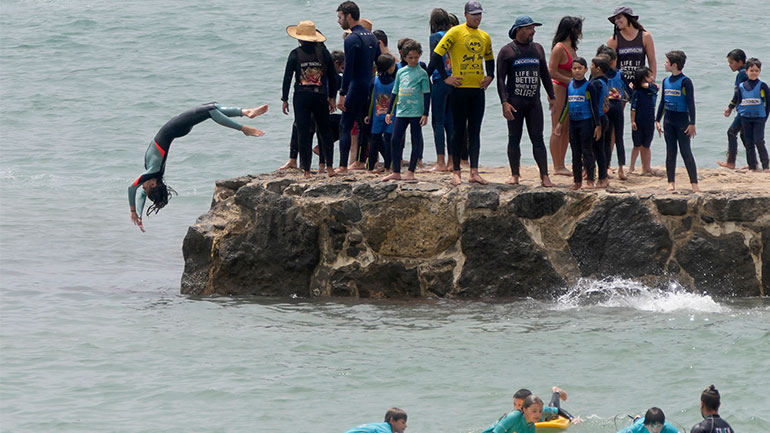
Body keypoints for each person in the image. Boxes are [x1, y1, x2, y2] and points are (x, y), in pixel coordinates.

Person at [128, 102, 267, 232]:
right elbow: (132, 189)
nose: (142, 187)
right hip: (175, 128)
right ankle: (244, 128)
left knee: (212, 107)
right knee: (210, 110)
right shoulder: (153, 171)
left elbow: (140, 193)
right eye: (146, 188)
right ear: (153, 184)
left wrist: (138, 214)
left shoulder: (152, 175)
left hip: (176, 130)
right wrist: (134, 211)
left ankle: (247, 112)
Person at [430, 0, 494, 186]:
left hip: (478, 90)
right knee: (458, 130)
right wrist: (446, 78)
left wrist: (490, 76)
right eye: (473, 14)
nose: (477, 17)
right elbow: (436, 56)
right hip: (459, 89)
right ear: (465, 15)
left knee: (474, 131)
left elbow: (490, 59)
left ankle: (474, 172)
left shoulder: (484, 36)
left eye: (479, 14)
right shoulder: (455, 32)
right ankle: (456, 172)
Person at [496, 15, 556, 186]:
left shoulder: (538, 49)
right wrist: (504, 102)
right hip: (515, 103)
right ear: (518, 30)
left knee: (538, 139)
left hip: (534, 103)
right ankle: (515, 175)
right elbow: (500, 79)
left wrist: (552, 96)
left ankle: (545, 176)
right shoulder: (507, 51)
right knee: (514, 138)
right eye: (530, 28)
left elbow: (544, 74)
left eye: (533, 28)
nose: (533, 31)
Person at [281, 20, 338, 178]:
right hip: (320, 95)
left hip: (302, 96)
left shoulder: (295, 54)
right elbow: (333, 77)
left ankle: (306, 171)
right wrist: (332, 97)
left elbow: (287, 77)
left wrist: (284, 98)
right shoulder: (324, 53)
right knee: (325, 131)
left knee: (303, 132)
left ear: (299, 38)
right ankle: (330, 168)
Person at [336, 1, 381, 173]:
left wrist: (342, 93)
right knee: (366, 127)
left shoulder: (352, 39)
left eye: (340, 17)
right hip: (369, 85)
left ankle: (342, 166)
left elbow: (348, 69)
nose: (339, 21)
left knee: (345, 125)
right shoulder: (371, 36)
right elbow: (379, 63)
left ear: (349, 16)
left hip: (356, 87)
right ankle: (389, 162)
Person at [382, 40, 430, 182]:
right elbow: (395, 92)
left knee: (416, 141)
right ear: (404, 57)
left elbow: (427, 94)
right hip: (401, 112)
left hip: (416, 112)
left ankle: (411, 171)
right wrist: (389, 112)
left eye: (416, 57)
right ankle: (396, 171)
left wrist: (426, 113)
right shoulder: (401, 72)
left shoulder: (422, 73)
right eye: (410, 57)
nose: (414, 60)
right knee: (395, 140)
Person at [555, 57, 603, 190]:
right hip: (573, 123)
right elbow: (566, 106)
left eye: (580, 68)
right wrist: (560, 123)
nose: (577, 71)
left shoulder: (589, 86)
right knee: (575, 153)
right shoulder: (570, 85)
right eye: (574, 68)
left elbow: (594, 106)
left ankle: (590, 180)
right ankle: (577, 181)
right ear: (571, 70)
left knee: (587, 151)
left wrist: (597, 125)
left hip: (586, 123)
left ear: (585, 70)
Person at [656, 50, 699, 192]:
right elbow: (663, 102)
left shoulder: (686, 82)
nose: (664, 64)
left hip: (682, 121)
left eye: (667, 62)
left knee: (685, 151)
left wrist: (692, 123)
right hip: (668, 121)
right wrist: (657, 120)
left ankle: (694, 184)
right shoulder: (665, 81)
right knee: (670, 151)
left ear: (674, 65)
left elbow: (690, 103)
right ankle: (671, 183)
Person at [548, 16, 583, 177]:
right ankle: (557, 165)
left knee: (568, 127)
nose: (579, 32)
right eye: (577, 29)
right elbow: (551, 71)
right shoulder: (559, 48)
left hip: (571, 89)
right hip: (559, 88)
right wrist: (569, 80)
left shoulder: (572, 47)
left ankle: (562, 163)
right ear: (570, 30)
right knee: (557, 126)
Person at [725, 57, 769, 171]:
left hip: (759, 118)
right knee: (748, 142)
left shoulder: (763, 86)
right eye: (751, 70)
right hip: (745, 118)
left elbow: (768, 103)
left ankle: (766, 166)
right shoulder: (742, 86)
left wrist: (765, 117)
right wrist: (731, 108)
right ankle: (752, 167)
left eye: (756, 70)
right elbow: (737, 99)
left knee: (759, 140)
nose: (754, 73)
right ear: (746, 71)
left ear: (760, 71)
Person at [597, 45, 630, 179]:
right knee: (619, 137)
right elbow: (628, 90)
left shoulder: (599, 75)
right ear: (613, 61)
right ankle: (621, 169)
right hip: (617, 106)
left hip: (604, 107)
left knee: (606, 138)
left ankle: (605, 168)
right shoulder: (619, 73)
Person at [428, 7, 455, 172]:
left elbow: (435, 59)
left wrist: (425, 75)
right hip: (455, 80)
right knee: (450, 121)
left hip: (441, 80)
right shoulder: (453, 35)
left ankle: (440, 162)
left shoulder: (435, 37)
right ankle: (452, 161)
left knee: (437, 121)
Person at [606, 6, 656, 83]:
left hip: (641, 82)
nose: (616, 21)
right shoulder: (613, 40)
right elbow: (611, 65)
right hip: (621, 82)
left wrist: (652, 79)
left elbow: (652, 61)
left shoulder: (645, 36)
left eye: (619, 18)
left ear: (628, 17)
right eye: (615, 19)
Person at [717, 49, 749, 170]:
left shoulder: (743, 73)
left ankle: (731, 163)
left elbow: (738, 93)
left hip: (744, 109)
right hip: (745, 109)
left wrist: (730, 107)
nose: (730, 65)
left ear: (739, 62)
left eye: (731, 62)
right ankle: (753, 163)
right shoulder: (744, 72)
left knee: (731, 132)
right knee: (744, 135)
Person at [365, 53, 396, 172]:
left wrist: (368, 114)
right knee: (388, 141)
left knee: (374, 141)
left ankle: (370, 167)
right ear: (390, 67)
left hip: (377, 115)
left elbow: (370, 98)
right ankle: (388, 167)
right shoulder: (394, 82)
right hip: (391, 117)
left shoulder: (375, 80)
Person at [630, 67, 658, 175]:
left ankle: (647, 167)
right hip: (638, 120)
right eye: (649, 76)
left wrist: (643, 83)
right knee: (637, 145)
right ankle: (632, 167)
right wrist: (632, 121)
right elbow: (633, 107)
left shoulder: (652, 89)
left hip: (649, 120)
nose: (652, 77)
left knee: (647, 145)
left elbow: (655, 88)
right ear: (644, 77)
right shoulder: (637, 92)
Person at [590, 55, 612, 188]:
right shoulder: (604, 81)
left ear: (598, 69)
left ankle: (601, 178)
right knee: (600, 149)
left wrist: (596, 123)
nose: (590, 67)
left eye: (592, 65)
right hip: (603, 117)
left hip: (597, 119)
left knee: (597, 150)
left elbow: (593, 104)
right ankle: (602, 177)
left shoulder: (596, 83)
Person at [512, 387, 578, 423]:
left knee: (553, 406)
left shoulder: (541, 410)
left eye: (520, 405)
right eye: (515, 404)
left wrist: (572, 419)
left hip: (550, 417)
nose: (516, 408)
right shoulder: (515, 414)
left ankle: (556, 392)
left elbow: (558, 410)